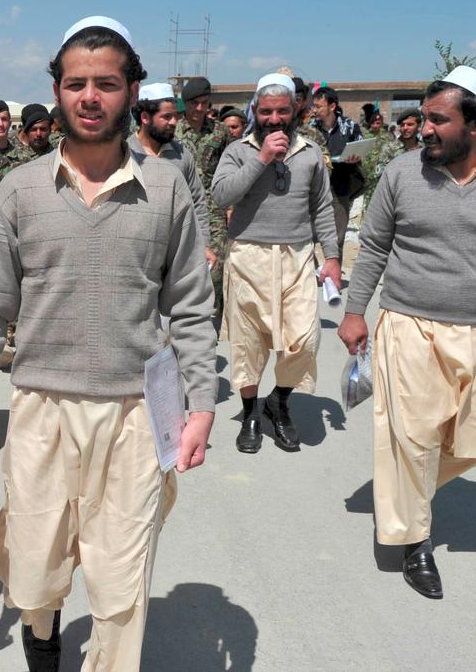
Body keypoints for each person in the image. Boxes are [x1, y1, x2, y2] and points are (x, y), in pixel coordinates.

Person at [0, 16, 216, 672]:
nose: (90, 97)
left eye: (106, 83)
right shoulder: (20, 190)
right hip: (40, 412)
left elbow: (190, 303)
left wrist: (202, 406)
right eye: (75, 84)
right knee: (35, 571)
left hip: (135, 416)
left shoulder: (166, 189)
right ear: (57, 91)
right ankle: (43, 637)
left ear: (132, 91)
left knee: (122, 583)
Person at [338, 66, 476, 600]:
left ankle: (405, 486)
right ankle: (416, 541)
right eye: (424, 118)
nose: (425, 129)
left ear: (475, 125)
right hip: (409, 325)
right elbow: (374, 245)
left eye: (438, 119)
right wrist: (355, 311)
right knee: (413, 438)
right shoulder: (401, 172)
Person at [212, 73, 341, 453]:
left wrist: (332, 256)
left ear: (295, 109)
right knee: (248, 344)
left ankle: (278, 401)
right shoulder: (238, 150)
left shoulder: (311, 153)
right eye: (266, 111)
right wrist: (262, 158)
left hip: (297, 257)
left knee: (305, 339)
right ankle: (250, 413)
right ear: (255, 110)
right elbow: (221, 195)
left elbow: (322, 207)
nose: (274, 119)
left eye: (282, 111)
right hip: (248, 256)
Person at [127, 83, 218, 283]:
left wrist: (203, 244)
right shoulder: (123, 153)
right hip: (134, 253)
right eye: (166, 117)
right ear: (145, 117)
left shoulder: (182, 155)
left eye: (175, 116)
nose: (174, 122)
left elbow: (197, 202)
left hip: (175, 253)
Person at [309, 86, 365, 254]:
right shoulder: (311, 129)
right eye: (313, 106)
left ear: (332, 106)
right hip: (316, 191)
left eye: (318, 106)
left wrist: (356, 158)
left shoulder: (350, 127)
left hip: (340, 190)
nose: (314, 110)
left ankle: (334, 270)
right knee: (310, 238)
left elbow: (361, 148)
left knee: (337, 239)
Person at [174, 75, 227, 186]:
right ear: (185, 102)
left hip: (212, 195)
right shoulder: (172, 131)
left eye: (204, 103)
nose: (199, 108)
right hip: (182, 193)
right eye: (194, 103)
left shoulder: (220, 130)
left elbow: (227, 165)